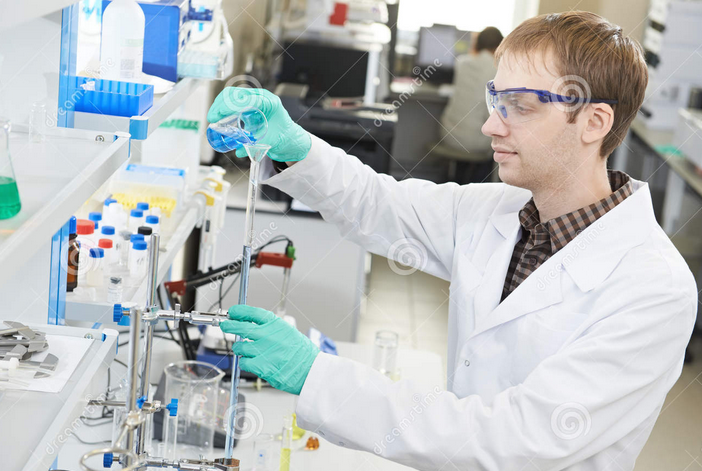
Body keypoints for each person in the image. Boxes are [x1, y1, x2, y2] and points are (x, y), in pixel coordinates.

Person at [210, 11, 697, 471]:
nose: (490, 125)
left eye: (520, 107)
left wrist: (316, 375)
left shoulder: (653, 289)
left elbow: (515, 440)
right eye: (496, 99)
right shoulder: (498, 211)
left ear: (594, 122)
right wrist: (295, 146)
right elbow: (378, 204)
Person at [440, 26, 503, 159]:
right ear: (500, 47)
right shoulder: (497, 70)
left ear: (477, 44)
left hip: (448, 135)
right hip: (475, 141)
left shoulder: (461, 63)